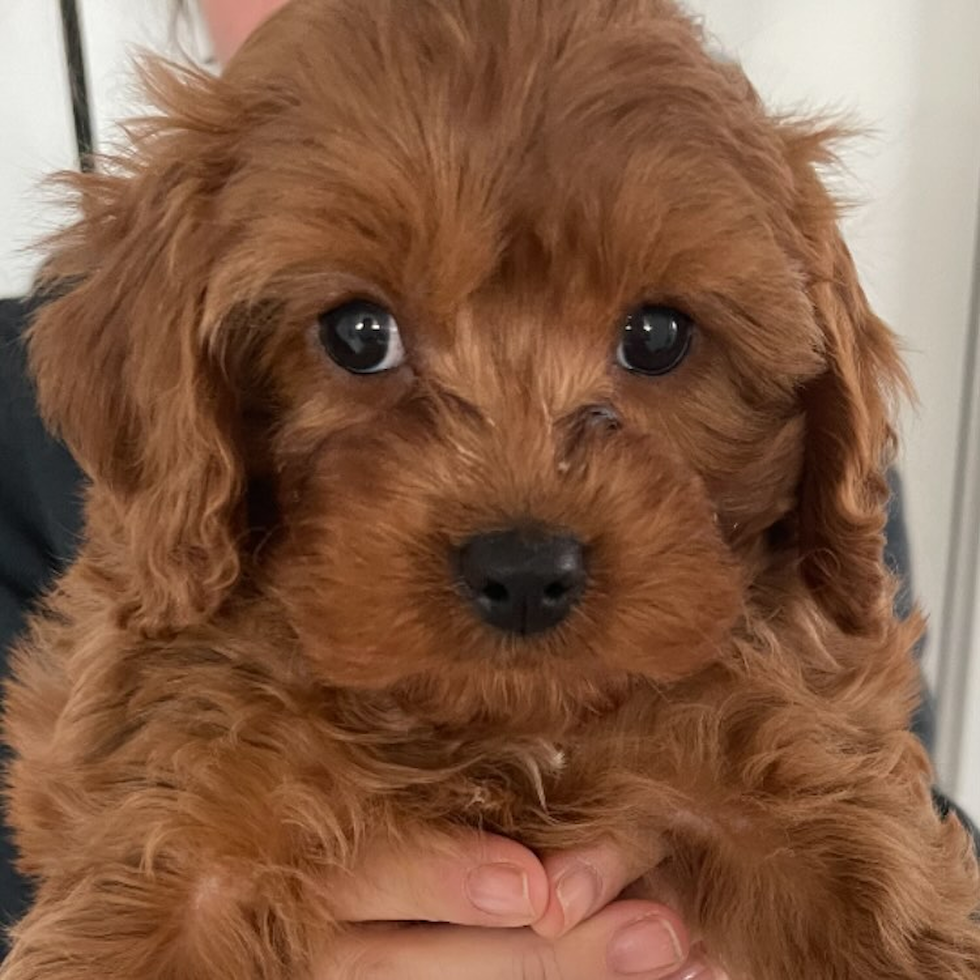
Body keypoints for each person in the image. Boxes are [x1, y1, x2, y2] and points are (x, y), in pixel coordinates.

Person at [0, 3, 973, 976]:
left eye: (653, 341)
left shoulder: (767, 540)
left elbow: (909, 864)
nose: (522, 520)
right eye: (358, 337)